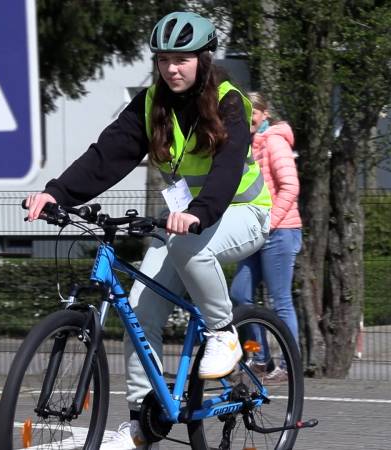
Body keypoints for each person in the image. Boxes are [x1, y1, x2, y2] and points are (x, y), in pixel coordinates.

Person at [24, 11, 272, 450]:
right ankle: (143, 424)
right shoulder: (150, 103)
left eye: (183, 59)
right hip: (185, 224)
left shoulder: (230, 101)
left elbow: (228, 168)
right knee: (138, 308)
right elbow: (107, 155)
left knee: (186, 242)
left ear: (204, 58)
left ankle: (223, 334)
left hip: (241, 213)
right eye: (163, 59)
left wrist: (199, 212)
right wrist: (57, 193)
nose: (172, 68)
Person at [229, 91, 302, 385]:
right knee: (239, 295)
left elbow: (290, 186)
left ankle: (289, 364)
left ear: (264, 114)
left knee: (280, 300)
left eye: (253, 113)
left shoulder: (274, 142)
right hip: (254, 232)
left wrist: (270, 222)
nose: (248, 119)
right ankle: (258, 357)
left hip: (280, 231)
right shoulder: (244, 146)